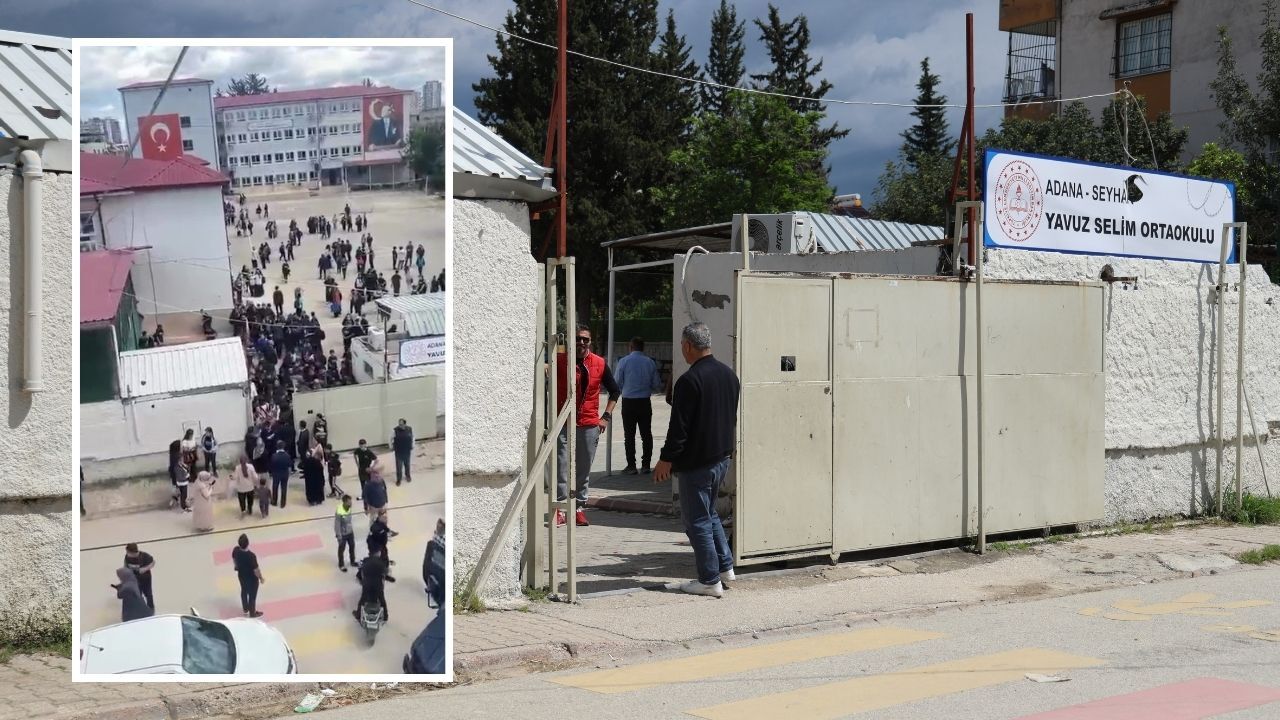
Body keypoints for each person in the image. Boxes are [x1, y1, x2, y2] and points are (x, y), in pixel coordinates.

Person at [653, 323, 741, 598]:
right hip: (720, 458)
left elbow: (679, 428)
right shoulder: (729, 375)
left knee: (697, 521)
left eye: (682, 345)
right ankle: (725, 567)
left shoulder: (689, 381)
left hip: (697, 464)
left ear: (688, 346)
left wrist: (666, 459)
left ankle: (708, 580)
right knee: (710, 514)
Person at [554, 325, 620, 527]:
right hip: (563, 421)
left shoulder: (599, 363)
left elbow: (615, 391)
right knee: (562, 467)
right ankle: (561, 508)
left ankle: (579, 508)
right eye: (577, 339)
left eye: (585, 339)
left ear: (590, 341)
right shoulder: (561, 361)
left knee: (583, 468)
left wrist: (605, 417)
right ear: (570, 341)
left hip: (589, 423)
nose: (581, 342)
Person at [614, 337, 664, 475]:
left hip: (628, 401)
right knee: (646, 434)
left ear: (631, 347)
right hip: (644, 401)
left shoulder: (623, 361)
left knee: (629, 435)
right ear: (643, 347)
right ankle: (646, 465)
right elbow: (657, 385)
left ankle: (631, 465)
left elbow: (617, 381)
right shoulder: (649, 362)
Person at [231, 534, 265, 618]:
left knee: (244, 590)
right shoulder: (251, 556)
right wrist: (261, 578)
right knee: (252, 596)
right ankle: (252, 613)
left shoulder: (236, 550)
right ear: (248, 543)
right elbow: (256, 570)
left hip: (242, 576)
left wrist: (236, 567)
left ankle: (245, 608)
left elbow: (234, 560)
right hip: (252, 579)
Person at [123, 543, 156, 611]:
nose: (127, 553)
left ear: (133, 552)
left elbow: (153, 562)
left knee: (148, 594)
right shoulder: (127, 557)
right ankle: (141, 608)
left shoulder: (144, 556)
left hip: (146, 579)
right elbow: (126, 566)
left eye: (128, 552)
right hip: (135, 580)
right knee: (138, 595)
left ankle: (151, 608)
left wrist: (145, 569)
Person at [335, 495, 356, 572]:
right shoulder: (339, 511)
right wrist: (339, 535)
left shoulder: (349, 508)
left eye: (351, 501)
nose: (351, 503)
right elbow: (337, 524)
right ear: (344, 502)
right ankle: (341, 564)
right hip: (343, 534)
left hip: (350, 532)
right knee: (341, 549)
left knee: (352, 546)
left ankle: (352, 561)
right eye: (349, 502)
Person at [391, 418, 414, 486]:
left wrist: (412, 445)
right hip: (398, 451)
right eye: (399, 424)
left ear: (405, 424)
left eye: (401, 424)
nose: (400, 425)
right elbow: (390, 438)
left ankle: (408, 476)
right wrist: (391, 447)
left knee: (407, 465)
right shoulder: (395, 430)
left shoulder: (409, 429)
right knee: (399, 466)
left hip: (407, 451)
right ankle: (399, 479)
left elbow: (413, 437)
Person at [354, 439, 376, 506]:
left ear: (365, 445)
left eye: (363, 445)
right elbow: (354, 454)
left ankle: (371, 495)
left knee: (369, 483)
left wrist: (371, 467)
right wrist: (357, 464)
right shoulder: (358, 450)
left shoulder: (369, 452)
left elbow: (376, 459)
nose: (362, 447)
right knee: (362, 483)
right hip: (361, 470)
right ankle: (364, 495)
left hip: (367, 470)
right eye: (361, 445)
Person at [270, 441, 291, 507]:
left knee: (275, 487)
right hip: (285, 473)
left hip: (276, 474)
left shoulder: (274, 456)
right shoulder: (287, 455)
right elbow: (289, 465)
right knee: (284, 488)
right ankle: (283, 503)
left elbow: (271, 466)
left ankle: (274, 501)